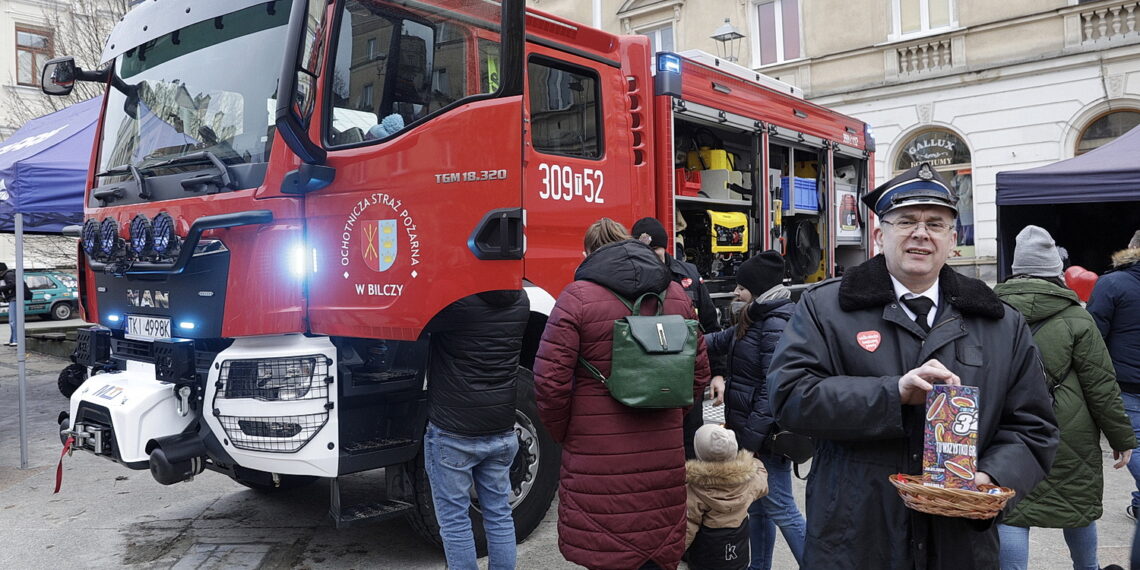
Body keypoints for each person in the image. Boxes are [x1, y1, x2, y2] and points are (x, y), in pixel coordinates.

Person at [767, 162, 1060, 568]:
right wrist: (893, 393)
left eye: (936, 224)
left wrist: (991, 478)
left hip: (959, 546)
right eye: (905, 220)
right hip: (856, 538)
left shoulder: (1000, 322)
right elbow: (791, 397)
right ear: (878, 234)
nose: (921, 233)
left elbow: (1034, 426)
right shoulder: (826, 308)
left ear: (952, 240)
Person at [534, 217, 712, 570]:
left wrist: (566, 431)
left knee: (608, 548)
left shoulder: (577, 297)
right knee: (655, 547)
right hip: (662, 449)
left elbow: (548, 381)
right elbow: (700, 372)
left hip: (597, 456)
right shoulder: (675, 293)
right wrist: (668, 409)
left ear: (588, 253)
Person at [993, 225, 1134, 570]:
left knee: (1012, 511)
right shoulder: (1077, 318)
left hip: (1007, 428)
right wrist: (1121, 437)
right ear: (1055, 270)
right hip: (1067, 431)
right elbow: (1101, 386)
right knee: (1077, 507)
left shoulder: (991, 314)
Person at [703, 250, 806, 570]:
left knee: (781, 509)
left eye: (741, 287)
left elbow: (770, 389)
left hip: (765, 437)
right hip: (754, 432)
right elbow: (716, 341)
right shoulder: (755, 317)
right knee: (760, 507)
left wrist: (749, 441)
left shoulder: (774, 322)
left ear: (758, 289)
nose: (735, 291)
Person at [421, 289, 530, 570]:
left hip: (453, 432)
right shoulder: (521, 301)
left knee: (455, 522)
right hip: (502, 429)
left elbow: (414, 320)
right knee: (499, 515)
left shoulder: (455, 304)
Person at [631, 216, 726, 459]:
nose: (651, 257)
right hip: (646, 381)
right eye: (645, 251)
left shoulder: (688, 276)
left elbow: (710, 327)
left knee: (688, 451)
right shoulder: (628, 279)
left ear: (666, 247)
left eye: (656, 250)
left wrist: (718, 373)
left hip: (686, 380)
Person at [1086, 229, 1140, 570]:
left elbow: (1092, 338)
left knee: (1136, 446)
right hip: (1128, 385)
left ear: (1132, 248)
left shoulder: (1112, 284)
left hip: (1125, 385)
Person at [684, 424, 769, 570]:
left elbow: (689, 525)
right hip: (738, 550)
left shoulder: (695, 488)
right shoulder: (748, 480)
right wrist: (751, 462)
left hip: (707, 553)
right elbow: (763, 483)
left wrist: (674, 553)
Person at [1, 262, 29, 347]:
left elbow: (12, 284)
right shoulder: (7, 275)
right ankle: (12, 339)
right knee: (13, 321)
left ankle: (16, 340)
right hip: (13, 299)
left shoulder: (8, 275)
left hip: (15, 299)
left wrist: (1, 289)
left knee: (13, 320)